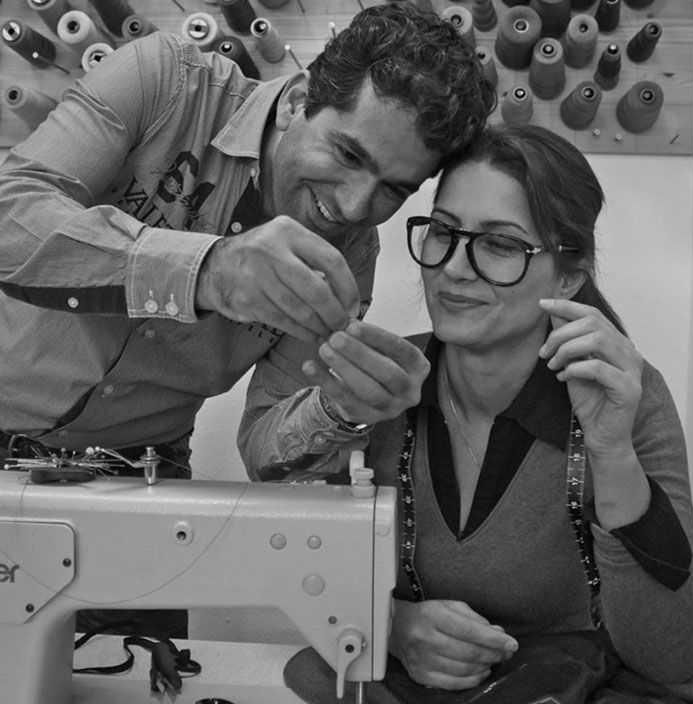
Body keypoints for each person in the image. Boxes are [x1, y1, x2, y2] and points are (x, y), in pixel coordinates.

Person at [0, 4, 495, 636]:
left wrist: (338, 409)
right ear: (298, 100)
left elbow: (265, 448)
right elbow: (11, 221)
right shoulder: (164, 82)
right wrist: (205, 270)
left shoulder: (350, 261)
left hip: (136, 485)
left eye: (395, 189)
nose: (353, 207)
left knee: (126, 676)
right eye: (347, 153)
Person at [351, 124, 693, 691]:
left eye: (500, 245)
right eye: (443, 231)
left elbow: (676, 655)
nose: (453, 267)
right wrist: (390, 625)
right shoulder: (382, 383)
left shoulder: (625, 397)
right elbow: (304, 569)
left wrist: (612, 453)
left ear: (569, 276)